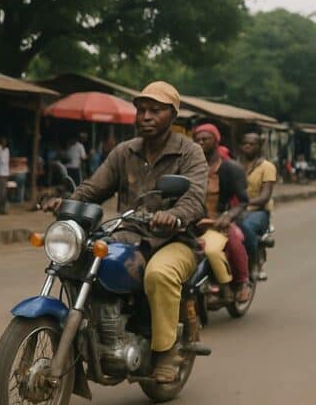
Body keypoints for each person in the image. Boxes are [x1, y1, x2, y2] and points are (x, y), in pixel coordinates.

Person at [44, 82, 207, 383]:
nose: (146, 116)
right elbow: (94, 188)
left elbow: (194, 198)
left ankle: (167, 351)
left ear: (172, 115)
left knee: (159, 275)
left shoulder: (190, 152)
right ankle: (97, 333)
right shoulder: (125, 151)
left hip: (174, 239)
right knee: (82, 260)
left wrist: (173, 216)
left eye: (155, 111)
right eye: (141, 110)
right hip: (127, 233)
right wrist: (67, 202)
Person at [193, 124, 251, 304]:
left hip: (218, 222)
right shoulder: (190, 168)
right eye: (197, 140)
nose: (200, 142)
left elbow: (243, 201)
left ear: (216, 141)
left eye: (205, 139)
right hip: (193, 223)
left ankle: (238, 284)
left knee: (215, 248)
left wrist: (228, 216)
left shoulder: (231, 168)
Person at [237, 132, 275, 277]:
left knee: (245, 227)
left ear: (259, 147)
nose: (247, 146)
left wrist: (243, 204)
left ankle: (253, 263)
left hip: (259, 211)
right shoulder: (235, 166)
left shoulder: (267, 167)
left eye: (252, 144)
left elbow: (264, 197)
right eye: (244, 144)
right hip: (236, 209)